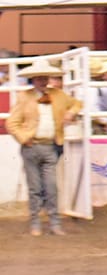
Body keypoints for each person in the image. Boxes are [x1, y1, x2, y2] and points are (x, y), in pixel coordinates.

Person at [6, 59, 82, 236]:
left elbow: (77, 103)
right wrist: (24, 138)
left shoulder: (58, 94)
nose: (42, 80)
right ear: (33, 79)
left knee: (51, 186)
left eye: (44, 77)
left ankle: (53, 222)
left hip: (50, 145)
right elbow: (12, 123)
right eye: (39, 78)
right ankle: (37, 222)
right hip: (33, 146)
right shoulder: (24, 97)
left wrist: (71, 112)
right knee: (35, 187)